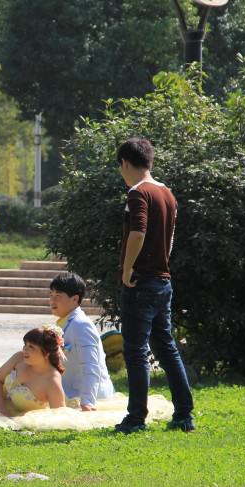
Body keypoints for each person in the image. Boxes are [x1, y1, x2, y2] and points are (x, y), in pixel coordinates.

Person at [115, 137, 195, 434]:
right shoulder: (167, 193)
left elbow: (138, 232)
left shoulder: (138, 193)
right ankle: (184, 414)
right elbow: (170, 238)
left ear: (125, 162)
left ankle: (136, 418)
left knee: (135, 351)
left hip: (141, 281)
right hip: (163, 281)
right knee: (167, 348)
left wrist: (127, 269)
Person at [49, 272, 115, 410]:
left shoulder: (81, 325)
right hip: (70, 392)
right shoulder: (62, 323)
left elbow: (91, 365)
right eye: (51, 295)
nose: (52, 301)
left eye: (58, 296)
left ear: (74, 299)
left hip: (87, 397)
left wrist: (88, 401)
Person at [0, 326, 67, 417]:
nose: (25, 350)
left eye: (31, 347)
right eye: (25, 344)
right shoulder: (19, 358)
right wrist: (0, 407)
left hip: (27, 417)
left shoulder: (52, 381)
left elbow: (60, 415)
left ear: (46, 353)